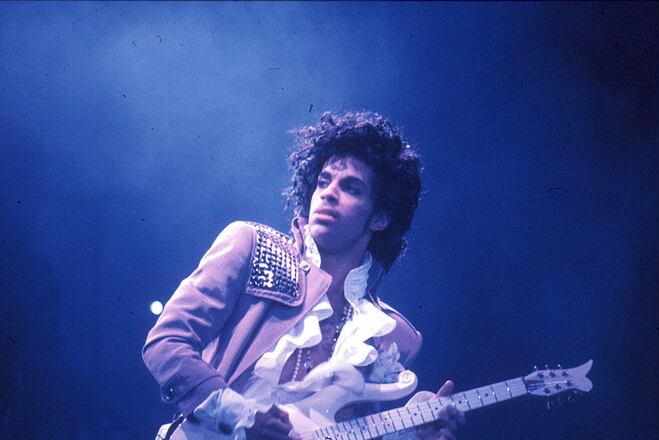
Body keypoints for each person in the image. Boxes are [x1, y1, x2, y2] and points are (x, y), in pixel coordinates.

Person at [143, 111, 465, 439]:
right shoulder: (252, 246)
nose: (328, 193)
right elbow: (166, 342)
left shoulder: (393, 336)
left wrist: (413, 434)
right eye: (323, 181)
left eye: (350, 187)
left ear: (380, 217)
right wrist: (240, 416)